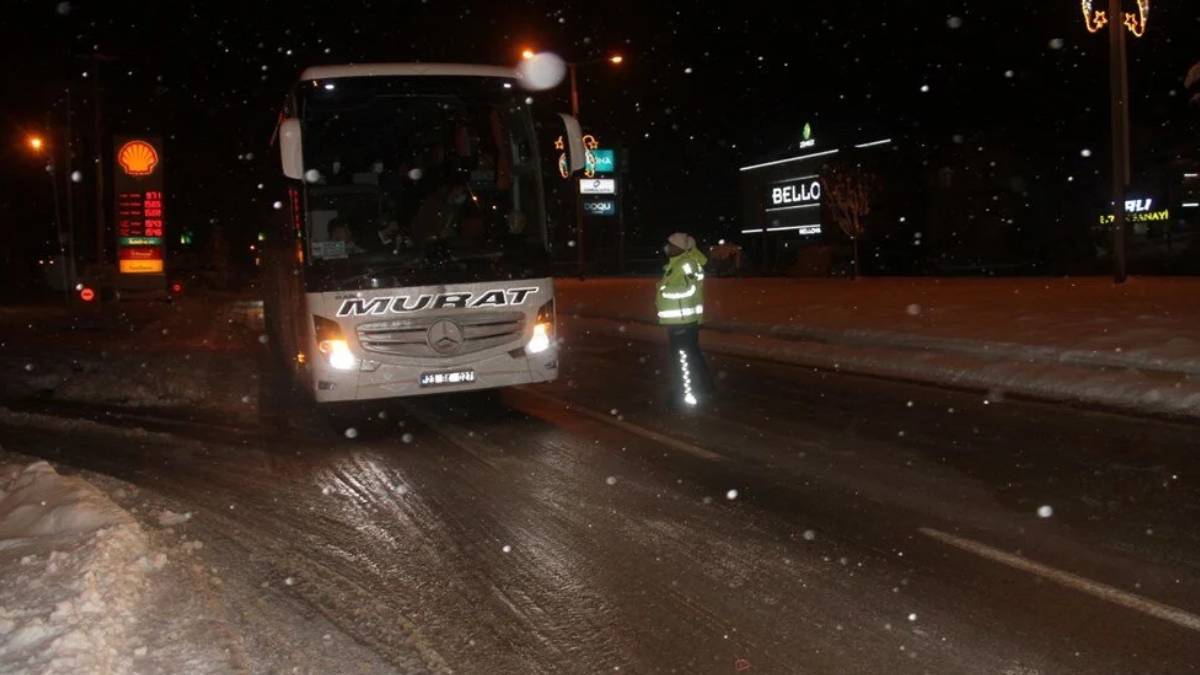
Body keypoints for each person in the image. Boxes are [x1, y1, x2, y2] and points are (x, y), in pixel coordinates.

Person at [656, 232, 713, 408]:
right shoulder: (679, 263)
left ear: (680, 247)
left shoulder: (686, 264)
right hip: (681, 320)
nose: (668, 247)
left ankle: (685, 396)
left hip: (683, 320)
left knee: (682, 359)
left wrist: (665, 291)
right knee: (691, 356)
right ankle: (705, 388)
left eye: (671, 244)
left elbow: (690, 289)